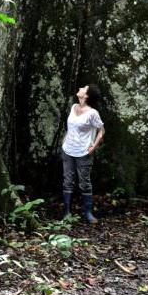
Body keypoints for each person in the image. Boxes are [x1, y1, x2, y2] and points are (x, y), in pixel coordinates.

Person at [60, 84, 105, 223]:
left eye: (84, 89)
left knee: (84, 183)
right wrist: (64, 140)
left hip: (83, 152)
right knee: (67, 181)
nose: (80, 88)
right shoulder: (74, 107)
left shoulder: (92, 113)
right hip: (68, 150)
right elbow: (70, 127)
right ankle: (67, 213)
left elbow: (101, 130)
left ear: (86, 96)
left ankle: (88, 213)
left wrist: (94, 146)